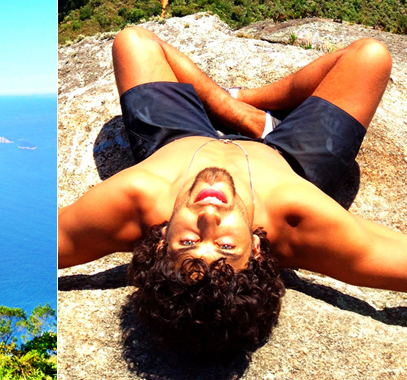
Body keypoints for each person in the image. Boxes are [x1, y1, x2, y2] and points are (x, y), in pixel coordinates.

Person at [58, 25, 402, 358]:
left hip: (176, 137)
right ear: (256, 248)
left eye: (188, 242)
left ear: (162, 239)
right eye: (225, 245)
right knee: (370, 56)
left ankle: (233, 105)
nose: (208, 217)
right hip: (292, 157)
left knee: (133, 41)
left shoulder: (135, 199)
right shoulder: (299, 221)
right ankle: (250, 114)